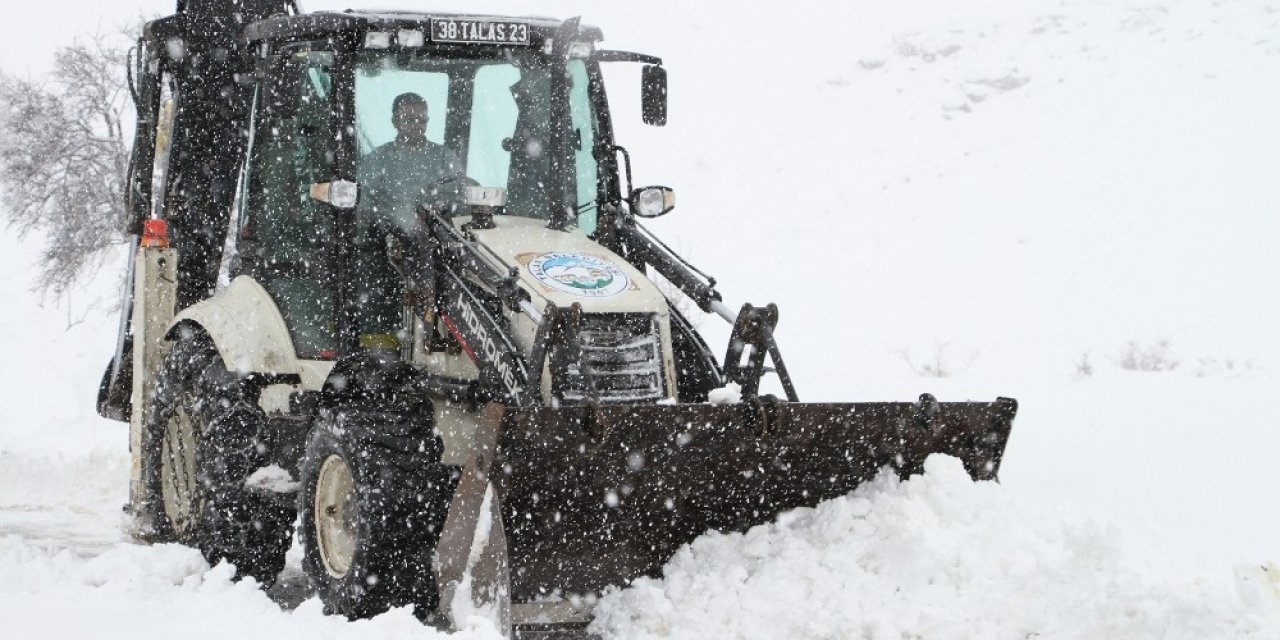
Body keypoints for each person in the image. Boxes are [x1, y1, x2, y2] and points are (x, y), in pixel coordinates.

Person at [355, 92, 465, 346]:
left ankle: (438, 331)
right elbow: (363, 212)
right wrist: (398, 222)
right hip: (388, 251)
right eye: (409, 119)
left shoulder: (443, 158)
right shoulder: (377, 161)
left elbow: (459, 199)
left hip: (437, 248)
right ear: (395, 121)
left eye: (422, 120)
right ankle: (383, 339)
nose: (417, 125)